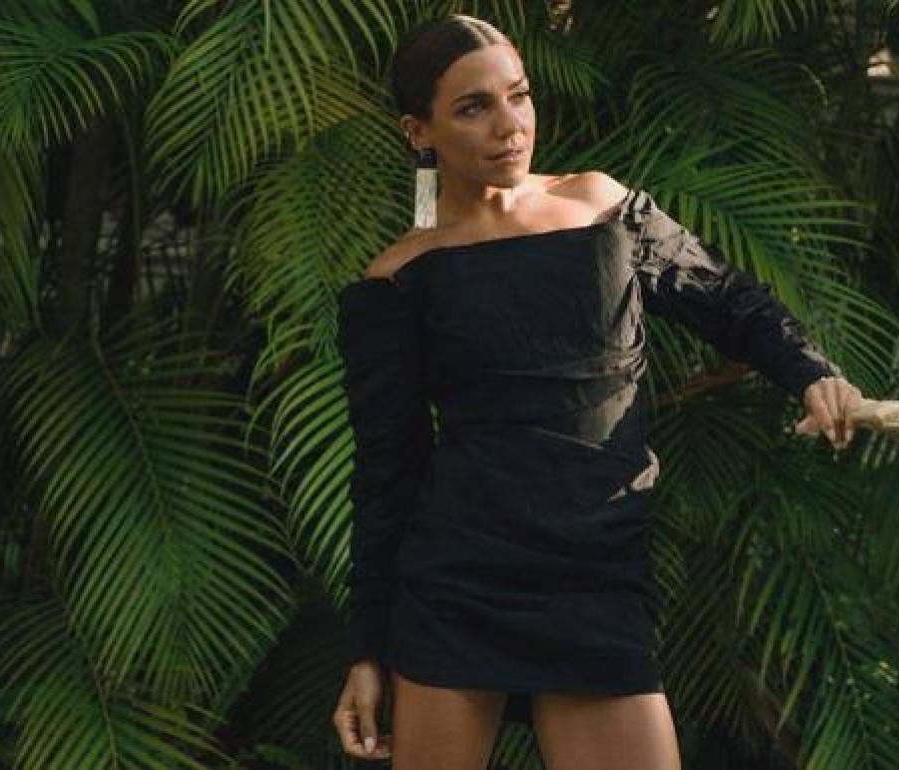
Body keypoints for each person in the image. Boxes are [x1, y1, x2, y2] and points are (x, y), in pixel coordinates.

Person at [330, 13, 862, 770]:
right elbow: (388, 469)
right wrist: (366, 650)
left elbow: (727, 300)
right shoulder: (399, 277)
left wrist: (811, 372)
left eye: (518, 95)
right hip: (459, 583)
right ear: (419, 132)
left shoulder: (601, 210)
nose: (510, 126)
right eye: (474, 107)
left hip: (595, 571)